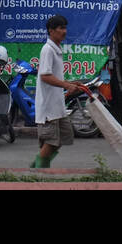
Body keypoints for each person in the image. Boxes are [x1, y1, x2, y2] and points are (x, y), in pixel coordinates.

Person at [32, 14, 89, 169]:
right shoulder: (47, 50)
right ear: (51, 31)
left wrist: (70, 83)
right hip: (48, 107)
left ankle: (38, 167)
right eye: (61, 28)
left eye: (65, 28)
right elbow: (45, 76)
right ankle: (37, 172)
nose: (64, 31)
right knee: (51, 141)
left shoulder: (56, 49)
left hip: (57, 105)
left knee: (63, 137)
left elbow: (53, 76)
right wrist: (66, 86)